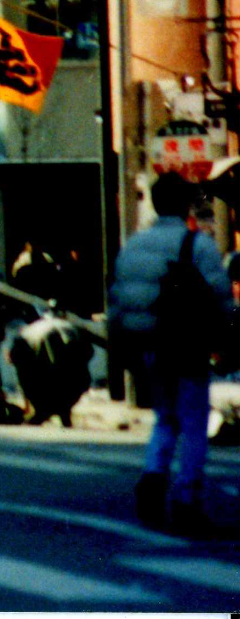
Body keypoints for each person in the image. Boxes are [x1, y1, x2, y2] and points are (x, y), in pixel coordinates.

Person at [108, 171, 234, 533]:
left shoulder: (134, 245)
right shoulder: (198, 245)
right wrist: (225, 341)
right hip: (187, 345)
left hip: (149, 347)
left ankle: (152, 478)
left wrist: (122, 342)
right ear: (185, 205)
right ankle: (186, 499)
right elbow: (221, 298)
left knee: (165, 418)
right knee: (194, 425)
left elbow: (118, 300)